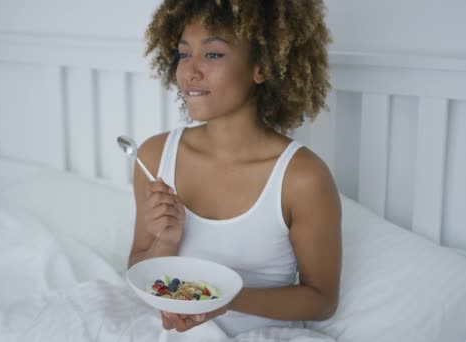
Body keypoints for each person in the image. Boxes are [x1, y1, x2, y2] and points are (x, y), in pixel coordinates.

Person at [127, 0, 341, 337]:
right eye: (184, 54)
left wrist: (226, 300)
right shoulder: (154, 157)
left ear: (261, 67)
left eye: (212, 54)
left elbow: (322, 299)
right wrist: (165, 242)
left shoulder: (302, 178)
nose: (190, 71)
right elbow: (138, 267)